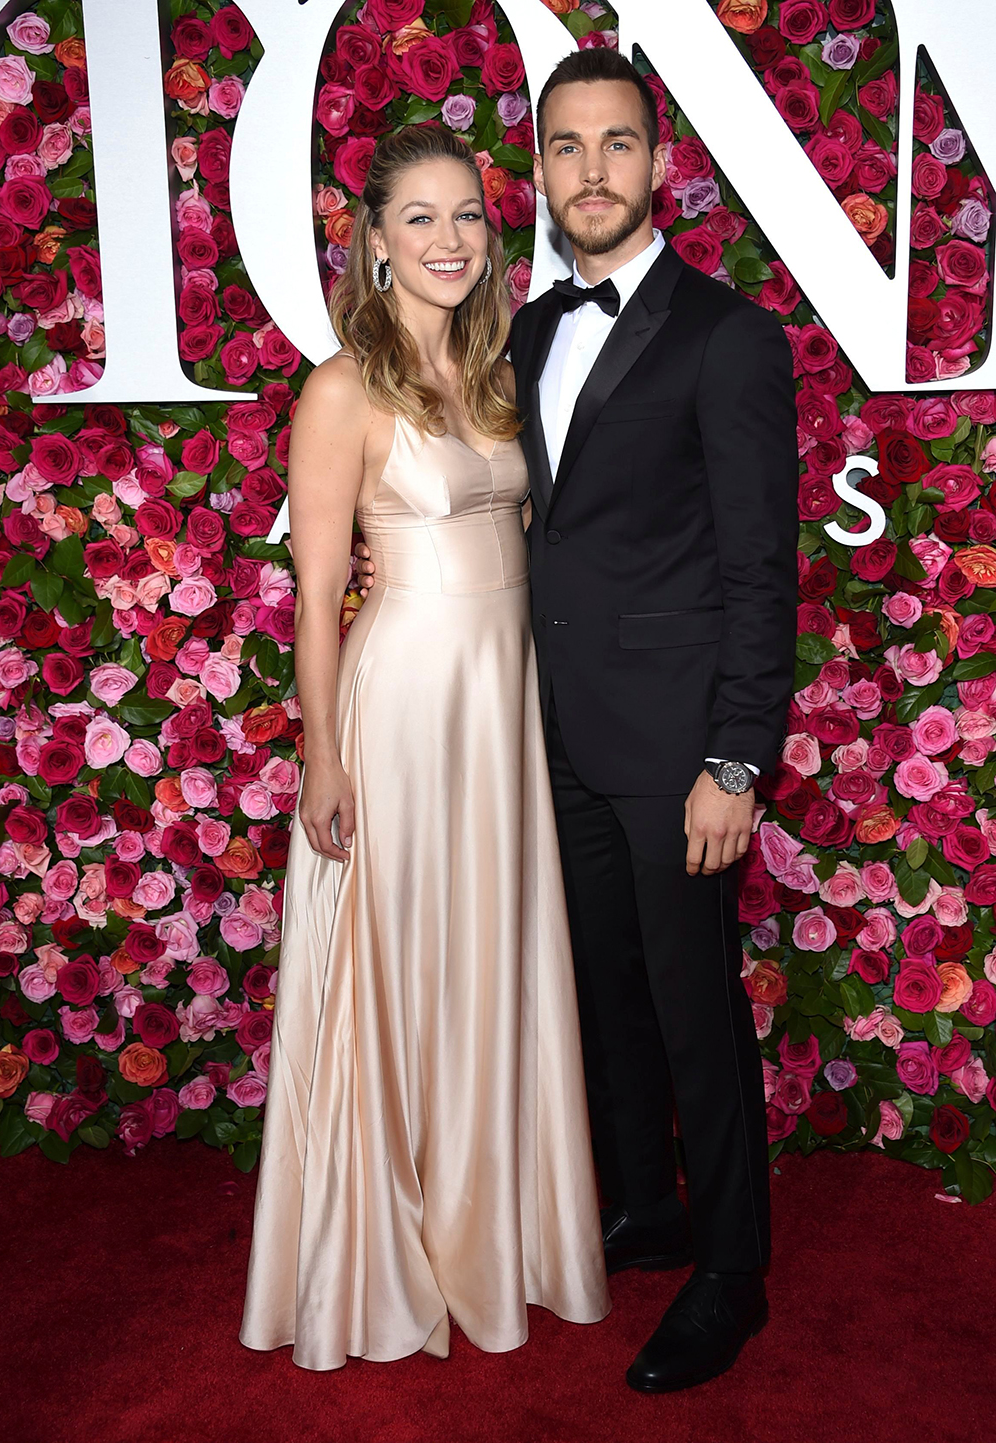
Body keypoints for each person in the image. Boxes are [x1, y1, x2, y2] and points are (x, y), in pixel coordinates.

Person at [358, 48, 800, 1394]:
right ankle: (647, 1207)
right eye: (565, 147)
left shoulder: (731, 338)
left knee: (690, 1011)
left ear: (660, 165)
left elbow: (757, 568)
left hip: (676, 756)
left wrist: (735, 757)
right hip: (544, 737)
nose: (592, 171)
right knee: (600, 999)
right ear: (538, 170)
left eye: (617, 145)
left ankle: (731, 1268)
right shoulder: (528, 331)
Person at [238, 124, 610, 1372]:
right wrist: (324, 759)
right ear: (377, 245)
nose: (449, 239)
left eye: (468, 217)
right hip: (401, 710)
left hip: (505, 705)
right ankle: (387, 1243)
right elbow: (315, 591)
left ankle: (493, 1222)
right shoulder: (340, 388)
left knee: (492, 958)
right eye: (420, 220)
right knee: (403, 965)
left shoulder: (505, 374)